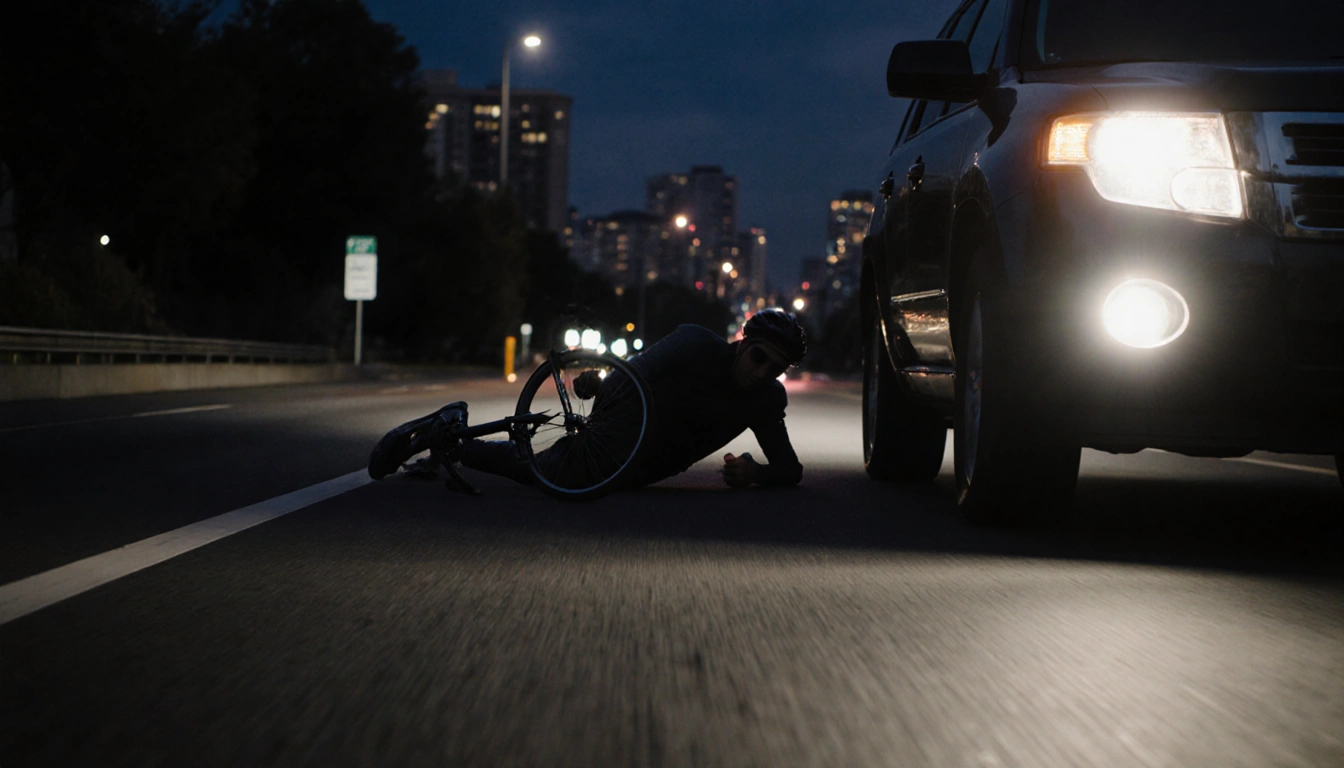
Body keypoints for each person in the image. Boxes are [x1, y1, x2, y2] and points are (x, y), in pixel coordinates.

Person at [369, 308, 807, 492]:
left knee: (541, 468)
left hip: (645, 466)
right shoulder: (697, 344)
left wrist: (753, 472)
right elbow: (638, 367)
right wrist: (598, 382)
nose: (762, 372)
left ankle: (451, 433)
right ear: (743, 342)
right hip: (624, 416)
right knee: (549, 473)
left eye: (776, 369)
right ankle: (448, 441)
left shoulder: (765, 400)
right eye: (760, 357)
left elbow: (790, 470)